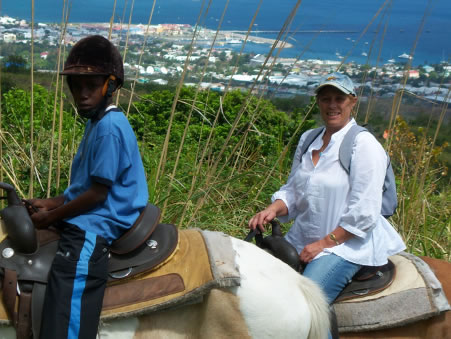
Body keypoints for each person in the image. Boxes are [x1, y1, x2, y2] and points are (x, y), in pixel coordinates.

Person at [26, 35, 148, 339]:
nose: (82, 94)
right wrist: (50, 202)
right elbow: (83, 187)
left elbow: (97, 194)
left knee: (69, 277)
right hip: (92, 211)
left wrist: (51, 218)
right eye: (76, 87)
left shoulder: (108, 129)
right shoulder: (97, 123)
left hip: (99, 223)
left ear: (110, 85)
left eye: (91, 86)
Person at [248, 72, 406, 306]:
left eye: (339, 99)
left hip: (346, 248)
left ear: (352, 101)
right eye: (325, 98)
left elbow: (364, 214)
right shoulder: (308, 139)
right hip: (302, 240)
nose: (332, 105)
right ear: (318, 102)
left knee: (302, 307)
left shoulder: (364, 145)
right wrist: (272, 209)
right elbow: (293, 191)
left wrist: (323, 244)